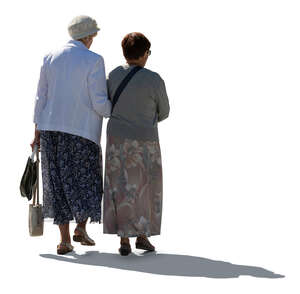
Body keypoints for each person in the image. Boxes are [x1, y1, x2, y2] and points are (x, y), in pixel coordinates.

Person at [31, 15, 111, 255]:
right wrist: (115, 111)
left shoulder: (50, 57)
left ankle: (64, 240)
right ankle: (81, 227)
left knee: (57, 184)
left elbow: (40, 98)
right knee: (86, 181)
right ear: (87, 36)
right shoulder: (94, 60)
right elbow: (99, 102)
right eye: (93, 35)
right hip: (82, 131)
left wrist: (36, 132)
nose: (94, 39)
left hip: (50, 129)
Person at [103, 32, 170, 256]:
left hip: (116, 139)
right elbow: (165, 112)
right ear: (143, 54)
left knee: (120, 186)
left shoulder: (112, 75)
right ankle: (142, 236)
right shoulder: (154, 79)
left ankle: (123, 239)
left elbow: (107, 103)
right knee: (144, 188)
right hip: (145, 140)